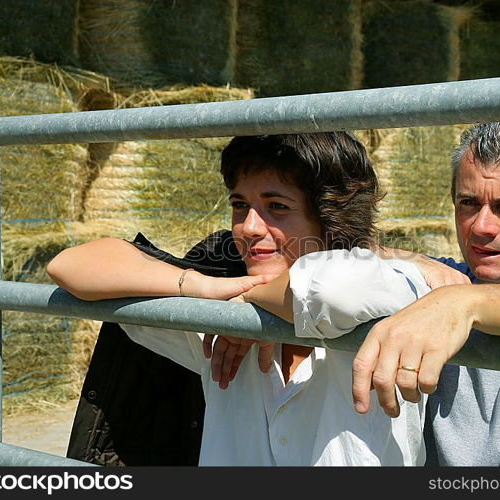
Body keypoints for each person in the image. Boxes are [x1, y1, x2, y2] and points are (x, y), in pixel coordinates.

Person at [215, 120, 500, 466]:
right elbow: (346, 264)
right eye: (468, 203)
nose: (482, 227)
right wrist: (262, 306)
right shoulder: (435, 280)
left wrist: (464, 305)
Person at [48, 131, 448, 466]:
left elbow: (330, 289)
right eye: (240, 205)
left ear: (331, 217)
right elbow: (71, 265)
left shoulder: (388, 290)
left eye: (277, 207)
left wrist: (249, 307)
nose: (249, 227)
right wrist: (199, 286)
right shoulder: (218, 318)